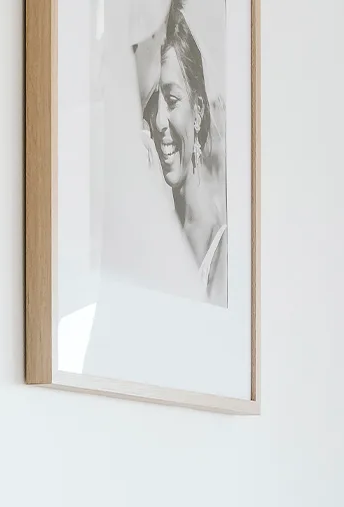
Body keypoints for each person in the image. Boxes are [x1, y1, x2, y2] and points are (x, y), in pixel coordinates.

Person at [139, 0, 228, 306]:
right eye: (153, 106)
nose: (159, 120)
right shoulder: (151, 230)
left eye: (173, 100)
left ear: (199, 111)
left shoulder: (223, 252)